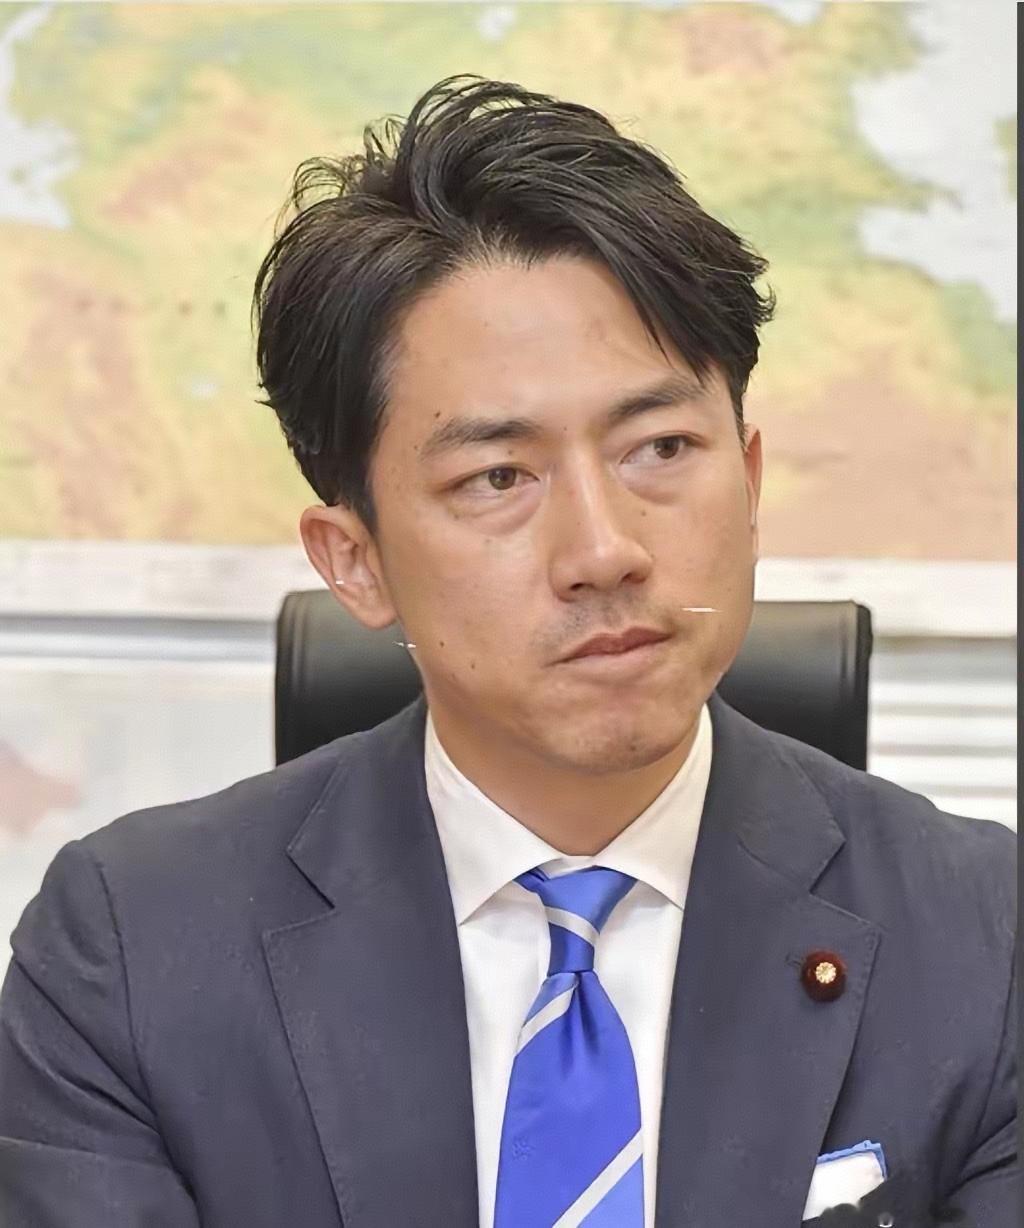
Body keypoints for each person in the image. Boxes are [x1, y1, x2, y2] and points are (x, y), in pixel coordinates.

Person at [0, 76, 1016, 1228]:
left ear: (748, 480)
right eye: (497, 477)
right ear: (354, 562)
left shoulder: (986, 941)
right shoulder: (132, 951)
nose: (603, 549)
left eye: (660, 447)